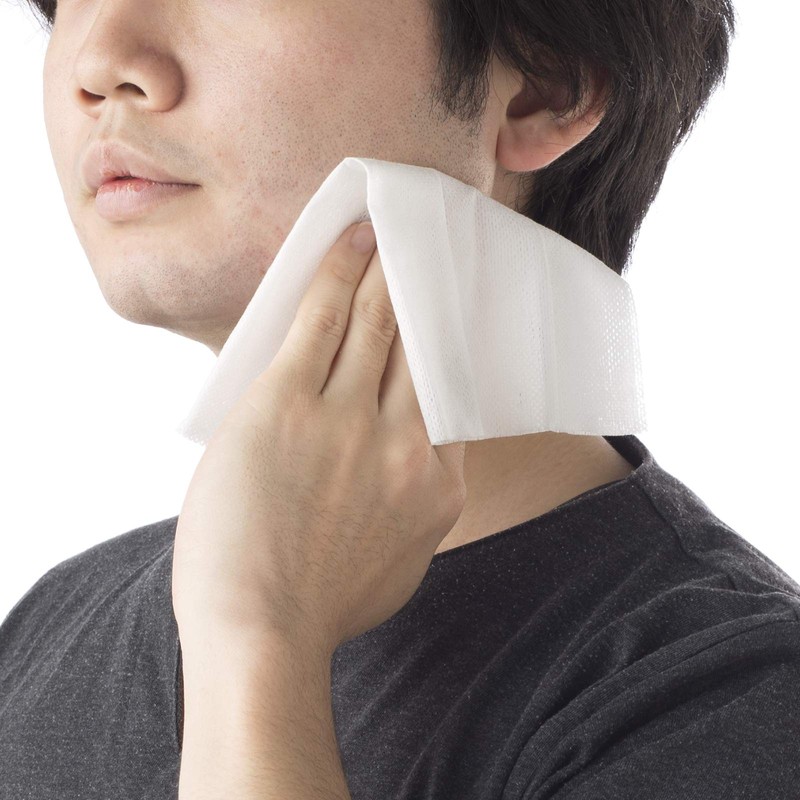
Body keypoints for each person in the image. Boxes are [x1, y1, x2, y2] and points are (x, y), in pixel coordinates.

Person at [1, 0, 798, 797]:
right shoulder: (47, 633)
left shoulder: (727, 705)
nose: (97, 63)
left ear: (544, 87)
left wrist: (261, 642)